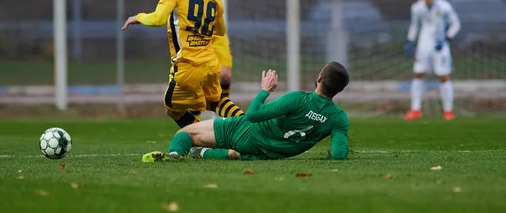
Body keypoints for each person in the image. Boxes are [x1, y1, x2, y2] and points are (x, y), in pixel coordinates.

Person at [123, 0, 244, 128]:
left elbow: (157, 19)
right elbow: (220, 31)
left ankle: (198, 140)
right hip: (210, 64)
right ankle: (249, 126)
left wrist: (138, 17)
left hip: (188, 64)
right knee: (216, 101)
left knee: (172, 107)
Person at [142, 62, 350, 162]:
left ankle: (176, 155)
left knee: (185, 133)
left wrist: (264, 91)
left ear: (319, 78)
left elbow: (252, 115)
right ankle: (214, 154)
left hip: (247, 132)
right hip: (268, 155)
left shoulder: (298, 99)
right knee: (231, 145)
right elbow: (339, 155)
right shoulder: (339, 118)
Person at [163, 0, 239, 108]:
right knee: (192, 83)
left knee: (225, 75)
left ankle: (218, 118)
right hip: (190, 36)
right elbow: (164, 6)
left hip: (214, 31)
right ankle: (195, 124)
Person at [403, 0, 461, 120]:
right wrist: (410, 41)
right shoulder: (417, 7)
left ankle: (448, 111)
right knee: (418, 74)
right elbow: (415, 25)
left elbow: (456, 24)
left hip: (440, 45)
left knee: (443, 76)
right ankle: (415, 109)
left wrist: (447, 38)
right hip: (424, 45)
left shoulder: (444, 6)